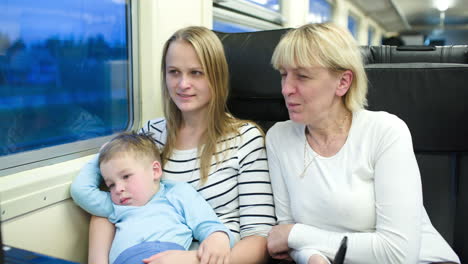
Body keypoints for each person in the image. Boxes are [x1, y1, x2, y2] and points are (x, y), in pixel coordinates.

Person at [77, 26, 276, 264]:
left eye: (196, 73)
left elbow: (259, 241)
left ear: (216, 76)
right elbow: (108, 209)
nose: (182, 84)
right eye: (174, 72)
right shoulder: (150, 134)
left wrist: (191, 260)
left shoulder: (246, 139)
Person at [265, 23, 460, 264]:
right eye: (283, 74)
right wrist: (313, 257)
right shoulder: (278, 138)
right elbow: (284, 238)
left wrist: (298, 235)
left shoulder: (386, 132)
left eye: (302, 76)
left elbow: (398, 253)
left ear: (343, 82)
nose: (286, 89)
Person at [70, 132, 234, 264]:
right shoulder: (115, 206)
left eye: (126, 176)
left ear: (155, 171)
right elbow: (80, 191)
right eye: (110, 184)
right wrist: (100, 156)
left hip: (168, 257)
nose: (118, 188)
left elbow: (206, 223)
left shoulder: (176, 193)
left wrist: (218, 237)